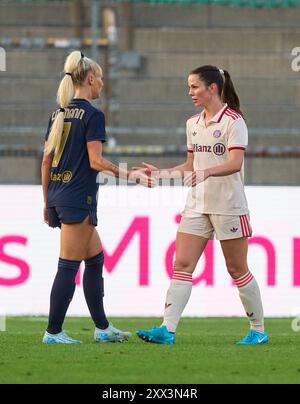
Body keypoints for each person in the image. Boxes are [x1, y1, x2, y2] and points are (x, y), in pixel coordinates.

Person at [135, 65, 269, 345]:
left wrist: (206, 172)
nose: (190, 92)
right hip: (196, 205)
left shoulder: (234, 121)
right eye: (189, 87)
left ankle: (258, 330)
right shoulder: (192, 123)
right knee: (182, 264)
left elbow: (235, 163)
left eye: (195, 86)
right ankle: (166, 330)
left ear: (212, 88)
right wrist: (160, 174)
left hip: (228, 206)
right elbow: (189, 166)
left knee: (237, 269)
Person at [41, 50, 154, 344]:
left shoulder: (58, 113)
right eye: (101, 78)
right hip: (78, 198)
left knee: (95, 258)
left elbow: (45, 161)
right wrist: (132, 176)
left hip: (58, 194)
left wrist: (47, 201)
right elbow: (96, 161)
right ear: (90, 79)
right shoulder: (92, 114)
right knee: (67, 264)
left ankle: (103, 328)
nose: (102, 84)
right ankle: (52, 332)